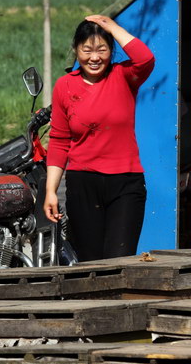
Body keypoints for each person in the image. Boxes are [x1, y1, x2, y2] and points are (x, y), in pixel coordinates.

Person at [43, 14, 155, 261]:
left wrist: (112, 27)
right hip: (83, 183)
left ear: (111, 50)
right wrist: (51, 191)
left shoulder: (124, 76)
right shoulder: (64, 86)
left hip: (126, 183)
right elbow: (60, 141)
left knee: (120, 259)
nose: (94, 58)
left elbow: (145, 58)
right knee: (90, 261)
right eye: (87, 50)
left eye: (102, 50)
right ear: (76, 50)